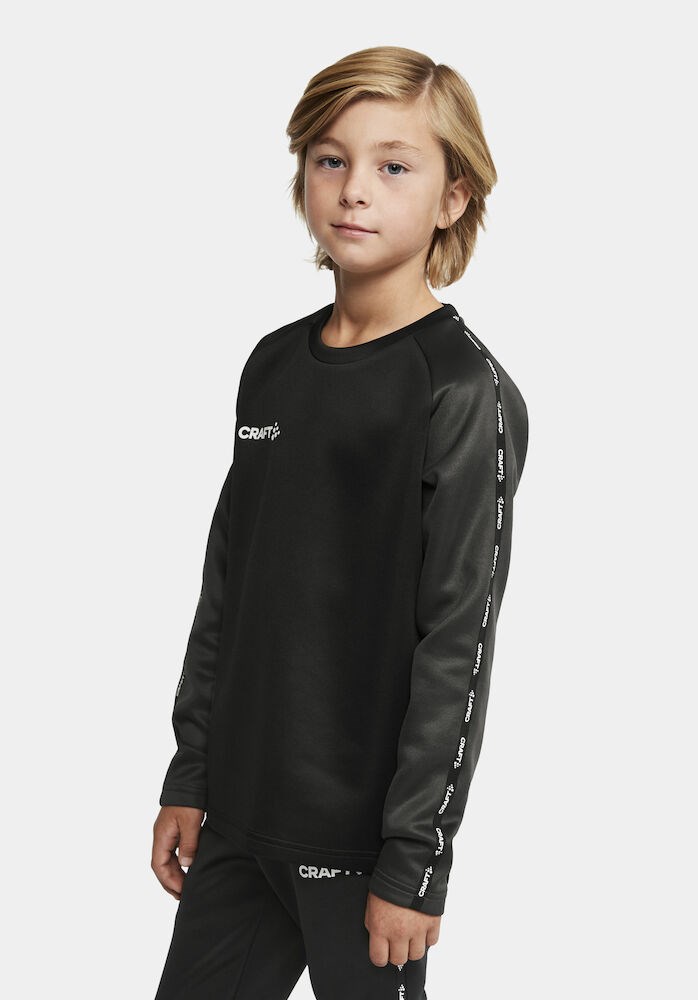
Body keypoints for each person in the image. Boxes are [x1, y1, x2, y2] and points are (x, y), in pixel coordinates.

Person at [151, 44, 529, 1000]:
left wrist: (415, 864)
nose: (354, 188)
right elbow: (227, 587)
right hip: (237, 827)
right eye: (331, 159)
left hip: (363, 853)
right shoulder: (272, 366)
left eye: (394, 166)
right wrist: (190, 777)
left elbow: (458, 644)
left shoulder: (461, 392)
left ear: (453, 197)